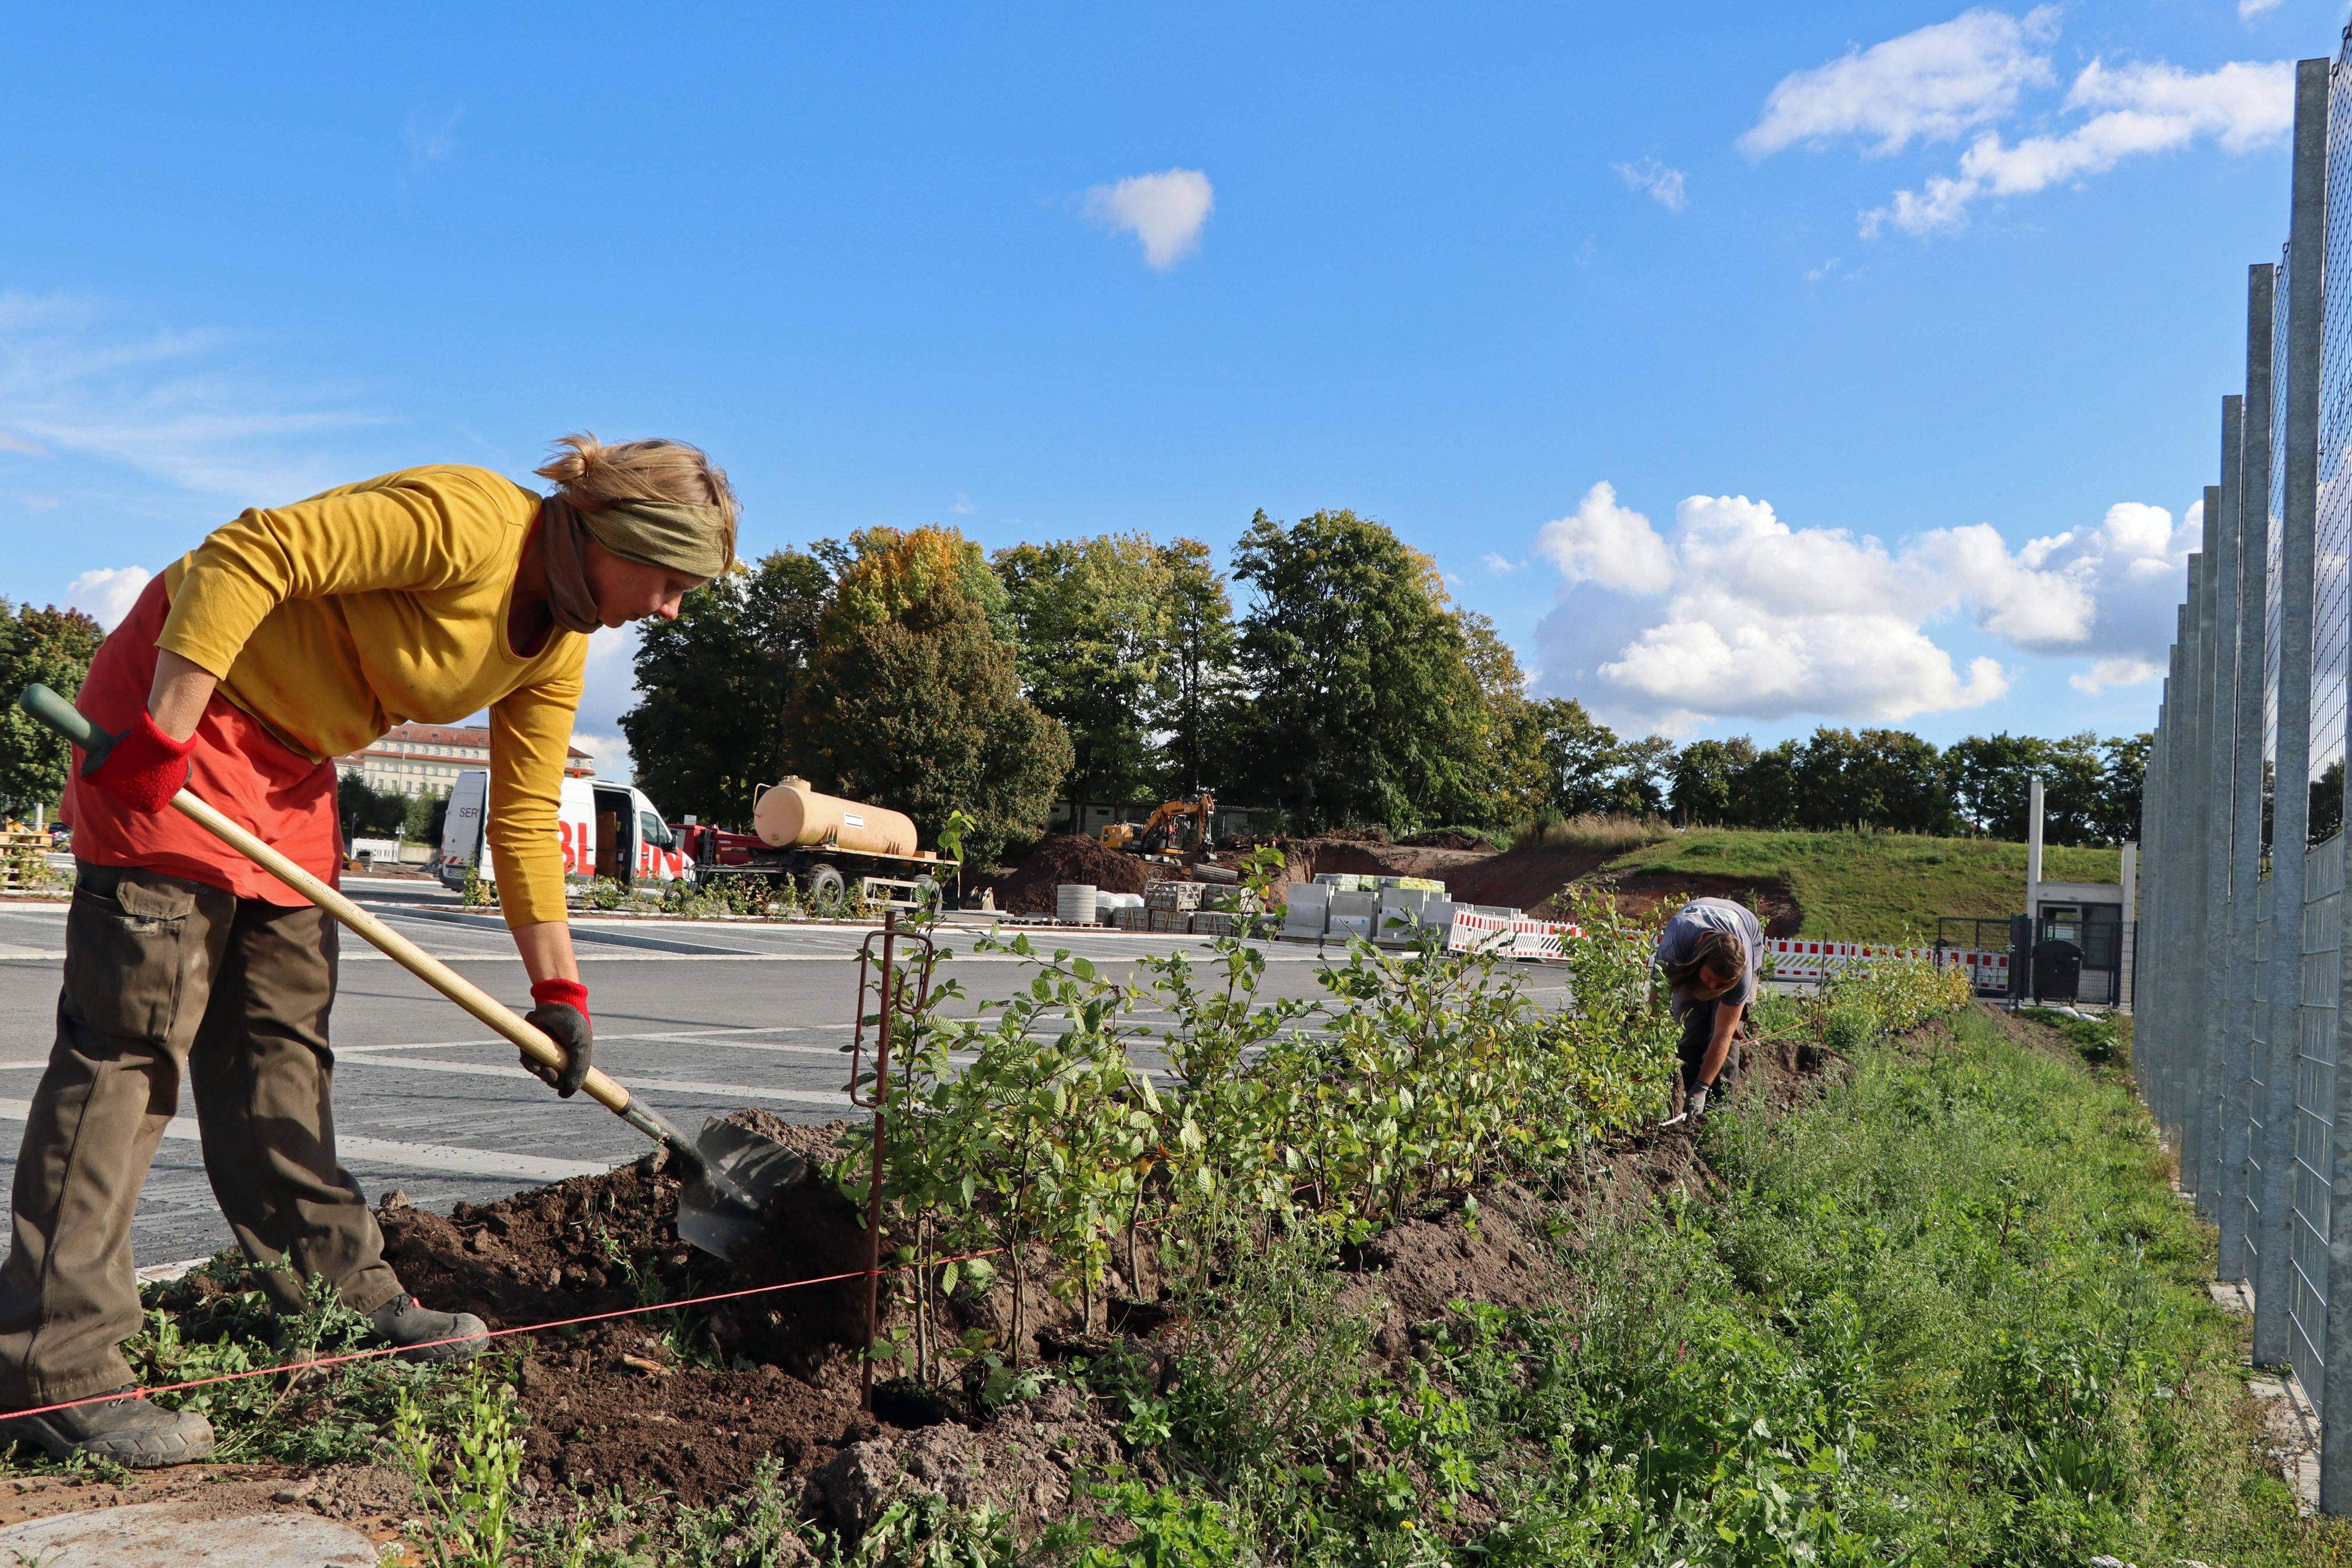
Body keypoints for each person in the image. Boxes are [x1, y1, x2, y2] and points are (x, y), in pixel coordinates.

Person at [0, 436, 739, 1466]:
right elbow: (244, 556)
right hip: (181, 713)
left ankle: (332, 1292)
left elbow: (523, 815)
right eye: (670, 582)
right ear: (618, 536)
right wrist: (165, 733)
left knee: (282, 1043)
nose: (669, 609)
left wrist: (557, 986)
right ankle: (55, 1361)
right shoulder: (470, 522)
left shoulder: (557, 636)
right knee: (133, 1040)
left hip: (294, 767)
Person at [1653, 895, 1764, 1121]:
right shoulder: (1676, 946)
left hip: (1748, 933)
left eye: (1723, 984)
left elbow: (1725, 1031)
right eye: (1711, 979)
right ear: (1699, 962)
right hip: (1691, 939)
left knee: (1728, 1036)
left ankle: (1719, 1109)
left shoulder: (1740, 973)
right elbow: (1654, 1008)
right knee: (1687, 1027)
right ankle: (1684, 1096)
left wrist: (1703, 1087)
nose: (1715, 987)